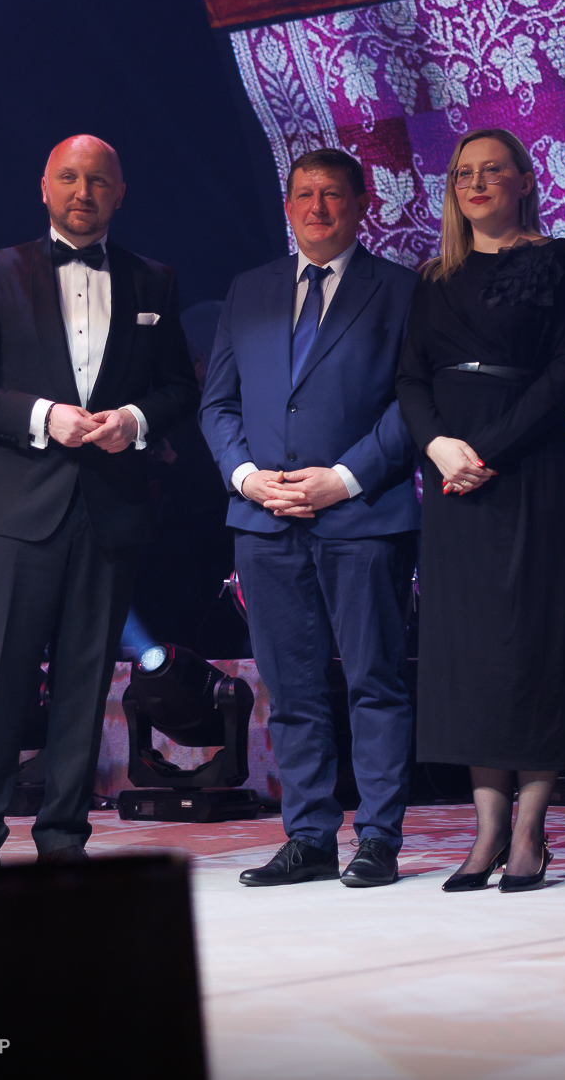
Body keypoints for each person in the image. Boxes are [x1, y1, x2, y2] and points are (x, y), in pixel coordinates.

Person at [0, 135, 198, 866]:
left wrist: (134, 420)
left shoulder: (154, 281)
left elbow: (180, 389)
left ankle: (63, 843)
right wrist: (41, 415)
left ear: (121, 193)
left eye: (99, 181)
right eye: (71, 178)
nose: (84, 192)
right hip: (17, 511)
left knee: (86, 682)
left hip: (109, 508)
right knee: (1, 680)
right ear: (45, 186)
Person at [199, 148, 421, 889]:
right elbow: (218, 404)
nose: (317, 208)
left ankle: (379, 837)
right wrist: (246, 477)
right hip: (263, 520)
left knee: (374, 682)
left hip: (363, 515)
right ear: (287, 205)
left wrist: (343, 479)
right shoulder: (250, 289)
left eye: (332, 194)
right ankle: (310, 837)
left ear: (362, 205)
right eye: (303, 195)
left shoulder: (402, 290)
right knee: (291, 690)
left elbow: (413, 406)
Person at [397, 129, 565, 893]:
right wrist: (438, 446)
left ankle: (529, 832)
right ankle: (485, 831)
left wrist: (490, 450)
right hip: (452, 474)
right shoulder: (433, 277)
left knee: (534, 640)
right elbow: (409, 377)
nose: (476, 183)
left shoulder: (561, 261)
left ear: (523, 180)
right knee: (470, 649)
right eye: (463, 174)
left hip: (530, 464)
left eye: (491, 170)